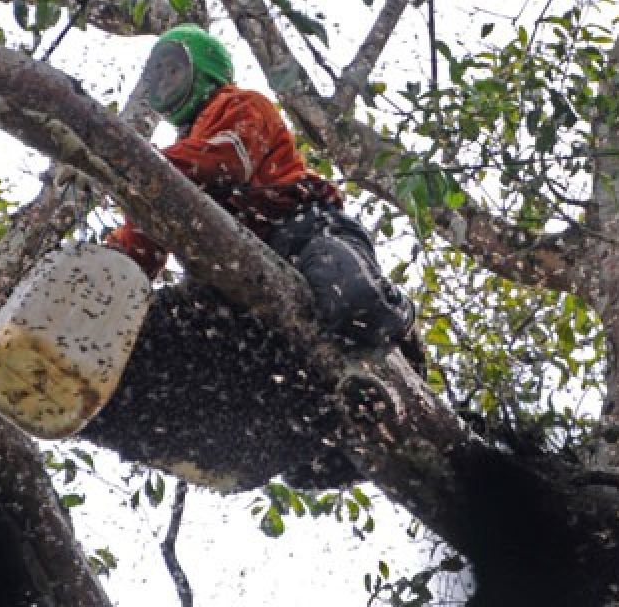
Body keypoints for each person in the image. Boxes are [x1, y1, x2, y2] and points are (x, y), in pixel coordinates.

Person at [106, 24, 424, 371]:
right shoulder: (162, 176)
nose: (164, 79)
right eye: (157, 74)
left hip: (303, 234)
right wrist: (105, 276)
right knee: (161, 350)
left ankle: (403, 334)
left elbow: (227, 159)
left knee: (356, 301)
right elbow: (141, 243)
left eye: (174, 68)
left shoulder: (242, 105)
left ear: (203, 68)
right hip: (230, 282)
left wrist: (126, 158)